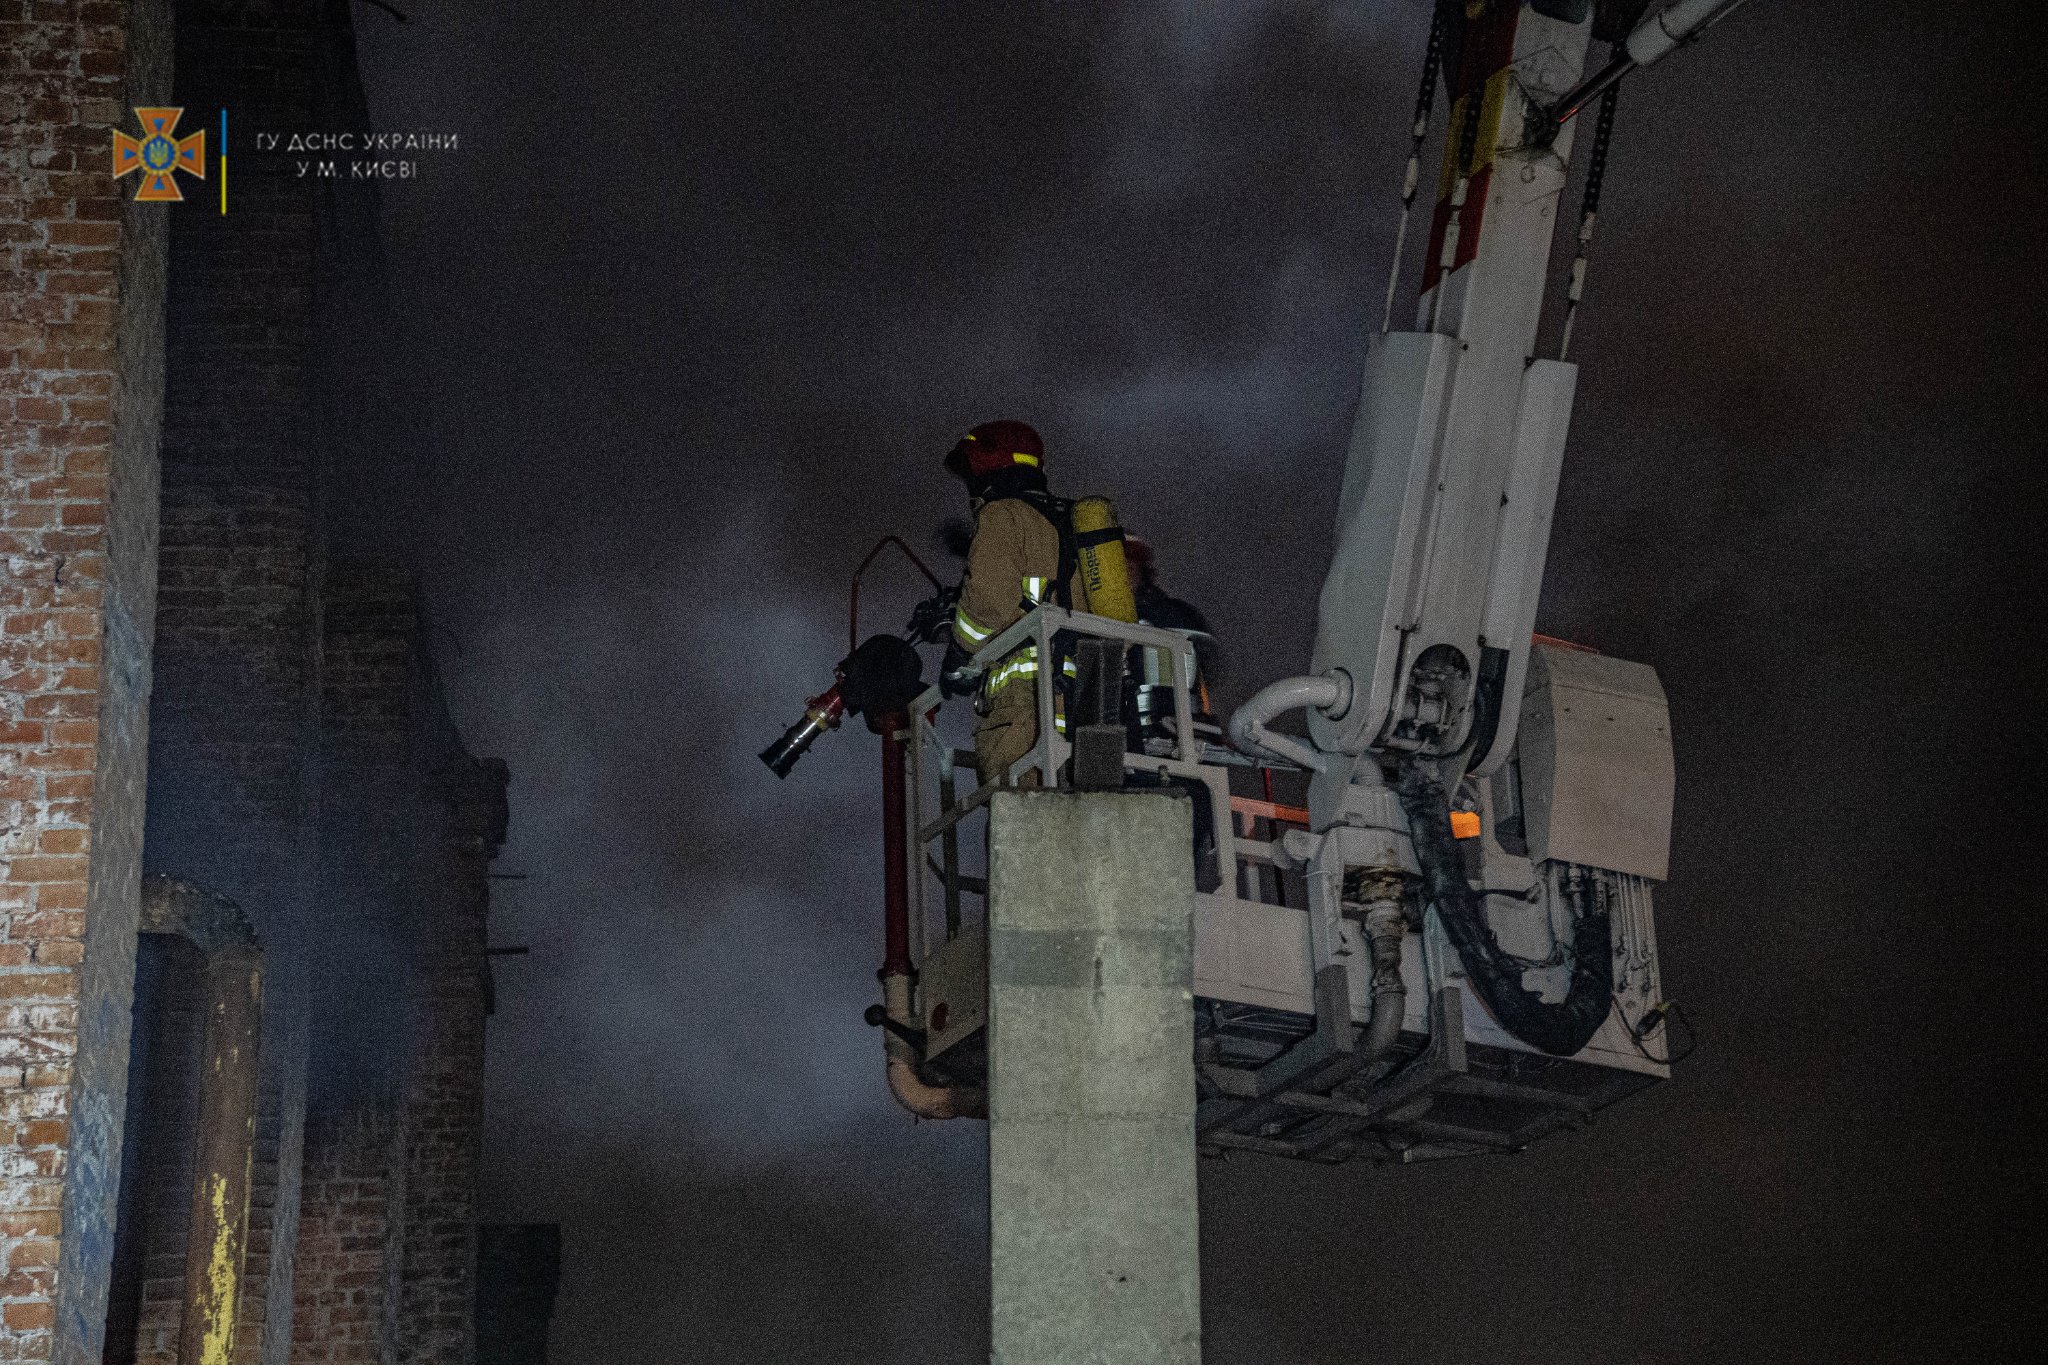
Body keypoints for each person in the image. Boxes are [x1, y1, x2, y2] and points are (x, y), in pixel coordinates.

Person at [937, 420, 1085, 786]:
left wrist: (958, 654)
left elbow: (987, 605)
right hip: (1081, 705)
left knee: (1021, 822)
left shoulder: (1002, 514)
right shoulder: (1071, 522)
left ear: (990, 466)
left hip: (1022, 707)